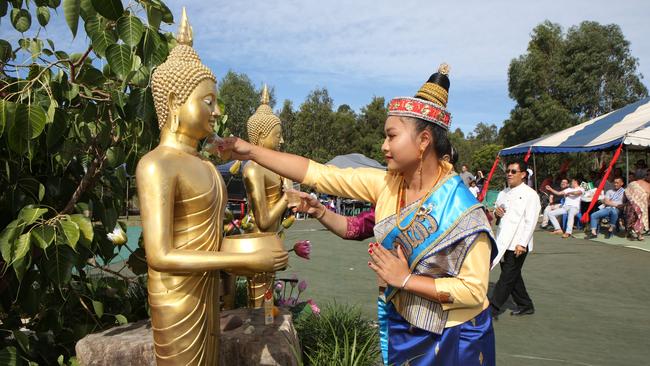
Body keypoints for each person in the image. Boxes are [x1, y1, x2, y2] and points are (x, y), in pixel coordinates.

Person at [215, 64, 497, 366]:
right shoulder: (388, 183)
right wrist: (250, 152)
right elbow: (319, 174)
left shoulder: (464, 210)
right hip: (405, 324)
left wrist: (405, 279)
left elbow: (472, 290)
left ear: (424, 141)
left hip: (456, 337)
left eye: (391, 136)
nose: (383, 146)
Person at [490, 160, 540, 318]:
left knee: (506, 278)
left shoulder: (530, 195)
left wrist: (522, 243)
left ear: (523, 174)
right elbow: (498, 215)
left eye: (513, 171)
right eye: (508, 171)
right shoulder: (502, 193)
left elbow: (530, 221)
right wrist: (496, 213)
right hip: (503, 241)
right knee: (512, 276)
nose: (509, 174)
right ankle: (525, 304)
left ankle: (492, 308)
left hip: (518, 243)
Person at [624, 170, 650, 241]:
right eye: (647, 174)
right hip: (632, 205)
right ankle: (636, 233)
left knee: (640, 218)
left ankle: (638, 233)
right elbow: (627, 192)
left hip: (643, 206)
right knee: (633, 217)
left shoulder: (648, 185)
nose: (648, 176)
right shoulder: (634, 183)